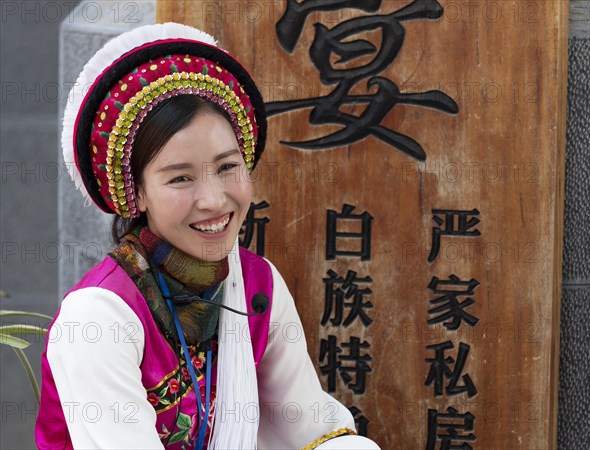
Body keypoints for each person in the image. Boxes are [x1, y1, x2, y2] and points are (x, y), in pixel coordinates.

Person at [35, 22, 380, 450]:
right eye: (180, 178)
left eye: (227, 167)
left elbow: (311, 427)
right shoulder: (97, 321)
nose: (214, 200)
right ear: (137, 193)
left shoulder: (257, 287)